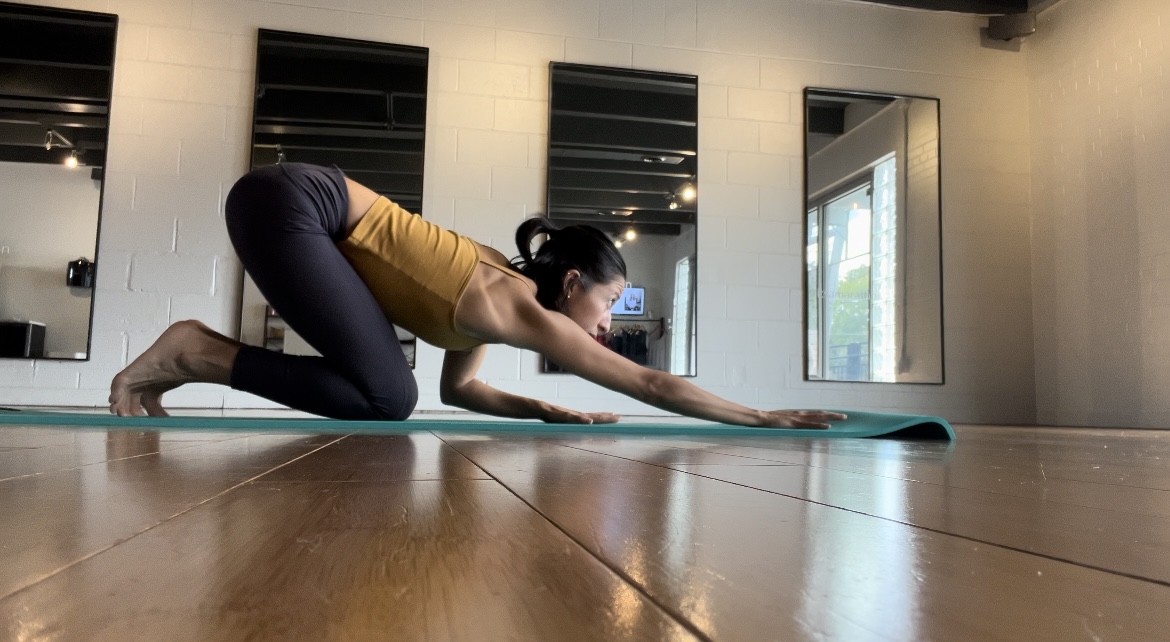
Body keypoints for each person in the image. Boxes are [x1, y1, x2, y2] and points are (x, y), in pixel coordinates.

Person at [109, 163, 845, 429]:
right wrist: (759, 416)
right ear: (572, 284)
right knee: (387, 397)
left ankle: (197, 356)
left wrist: (542, 409)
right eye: (610, 302)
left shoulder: (501, 304)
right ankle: (195, 351)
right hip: (295, 201)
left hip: (289, 203)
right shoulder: (513, 300)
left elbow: (458, 391)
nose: (607, 322)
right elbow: (649, 382)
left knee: (391, 394)